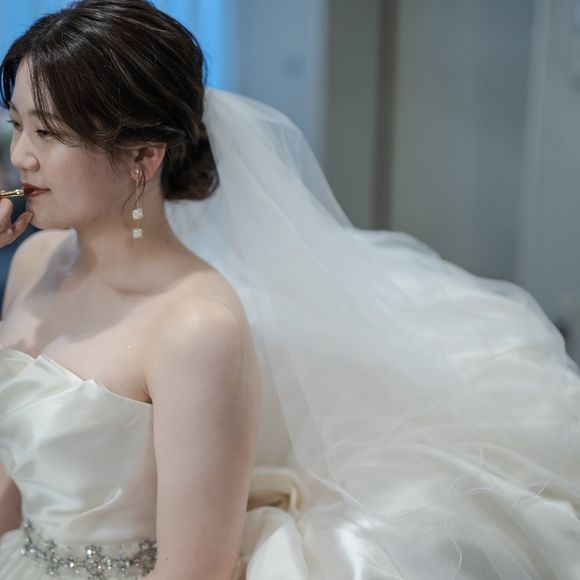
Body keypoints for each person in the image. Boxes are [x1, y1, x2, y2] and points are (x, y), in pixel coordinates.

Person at [0, 1, 578, 579]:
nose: (20, 155)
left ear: (143, 157)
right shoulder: (33, 262)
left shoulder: (194, 327)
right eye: (17, 124)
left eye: (47, 132)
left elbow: (196, 571)